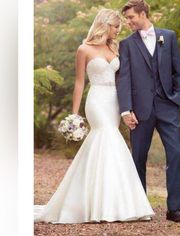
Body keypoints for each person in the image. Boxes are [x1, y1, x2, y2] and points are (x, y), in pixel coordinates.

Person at [34, 8, 154, 224]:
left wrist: (129, 107)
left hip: (115, 102)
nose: (119, 30)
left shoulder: (114, 48)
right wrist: (74, 114)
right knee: (108, 137)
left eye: (120, 26)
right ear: (105, 25)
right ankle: (101, 205)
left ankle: (115, 202)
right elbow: (79, 83)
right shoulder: (84, 49)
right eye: (116, 26)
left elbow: (124, 81)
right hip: (97, 100)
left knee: (108, 143)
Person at [116, 0, 180, 223]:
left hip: (168, 106)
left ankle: (175, 209)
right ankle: (140, 206)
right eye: (127, 18)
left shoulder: (168, 36)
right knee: (138, 157)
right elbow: (124, 78)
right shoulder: (127, 44)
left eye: (131, 17)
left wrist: (177, 97)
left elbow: (179, 70)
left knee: (175, 154)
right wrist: (126, 109)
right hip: (140, 110)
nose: (128, 22)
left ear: (142, 13)